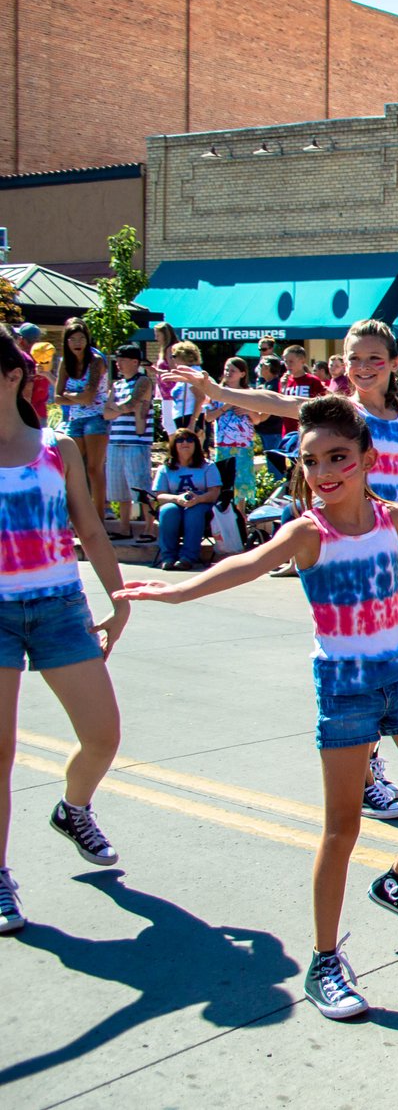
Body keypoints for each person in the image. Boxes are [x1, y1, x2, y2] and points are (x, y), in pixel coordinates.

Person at [118, 396, 398, 1020]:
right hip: (344, 686)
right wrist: (177, 591)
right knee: (342, 828)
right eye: (312, 461)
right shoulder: (309, 531)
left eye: (338, 457)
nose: (324, 471)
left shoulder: (391, 517)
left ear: (367, 458)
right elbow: (245, 565)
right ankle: (325, 960)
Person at [0, 329, 132, 936]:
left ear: (11, 376)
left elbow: (92, 531)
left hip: (59, 607)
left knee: (103, 737)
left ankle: (72, 808)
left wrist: (121, 599)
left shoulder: (58, 448)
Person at [53, 319, 109, 520]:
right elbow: (57, 398)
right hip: (74, 419)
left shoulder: (95, 360)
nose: (77, 342)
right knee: (73, 469)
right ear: (66, 341)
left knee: (94, 468)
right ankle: (75, 517)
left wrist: (70, 394)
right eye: (72, 339)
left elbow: (90, 396)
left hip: (96, 417)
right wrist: (75, 396)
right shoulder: (64, 363)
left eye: (81, 338)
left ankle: (99, 517)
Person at [102, 345, 155, 541]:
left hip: (137, 442)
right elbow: (106, 413)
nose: (118, 364)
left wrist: (117, 407)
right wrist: (120, 408)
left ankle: (149, 528)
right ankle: (123, 527)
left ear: (135, 362)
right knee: (119, 488)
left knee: (140, 486)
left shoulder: (143, 381)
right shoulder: (116, 385)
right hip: (116, 441)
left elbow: (132, 404)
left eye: (122, 359)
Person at [151, 429, 221, 570]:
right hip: (176, 502)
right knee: (168, 511)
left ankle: (188, 558)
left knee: (193, 512)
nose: (185, 443)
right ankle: (168, 557)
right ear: (173, 445)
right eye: (180, 440)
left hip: (202, 503)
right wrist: (177, 499)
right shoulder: (165, 468)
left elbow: (214, 493)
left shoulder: (208, 466)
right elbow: (160, 495)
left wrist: (199, 499)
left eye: (190, 440)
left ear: (196, 444)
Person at [206, 357, 258, 515]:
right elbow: (208, 417)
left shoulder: (249, 394)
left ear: (242, 374)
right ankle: (224, 514)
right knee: (223, 481)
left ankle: (240, 516)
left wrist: (248, 411)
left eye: (233, 370)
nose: (228, 373)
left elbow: (257, 419)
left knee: (241, 481)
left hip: (243, 445)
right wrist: (225, 407)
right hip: (223, 445)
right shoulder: (216, 392)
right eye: (227, 369)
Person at [159, 341, 207, 432]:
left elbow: (201, 397)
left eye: (174, 356)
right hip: (183, 417)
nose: (172, 359)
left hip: (189, 418)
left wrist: (192, 422)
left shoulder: (192, 373)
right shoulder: (187, 372)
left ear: (184, 356)